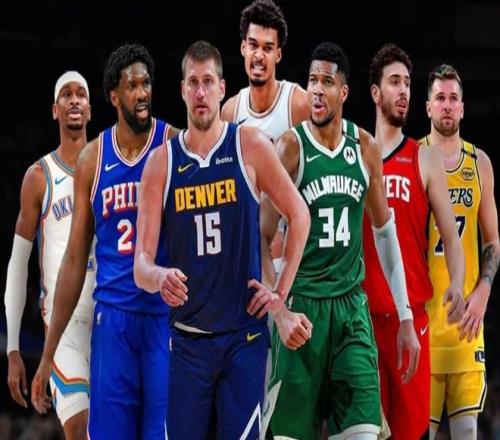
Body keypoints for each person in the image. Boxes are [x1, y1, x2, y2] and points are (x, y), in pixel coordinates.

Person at [134, 40, 311, 440]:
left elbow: (299, 215)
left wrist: (280, 295)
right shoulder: (161, 163)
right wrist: (159, 276)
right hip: (188, 342)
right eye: (193, 82)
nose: (201, 92)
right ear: (182, 90)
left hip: (243, 339)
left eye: (208, 82)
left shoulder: (249, 145)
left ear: (222, 88)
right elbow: (140, 266)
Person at [261, 41, 420, 440]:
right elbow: (260, 236)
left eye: (326, 82)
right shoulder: (290, 148)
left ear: (343, 92)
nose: (317, 90)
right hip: (302, 309)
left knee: (364, 433)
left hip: (351, 312)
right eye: (312, 81)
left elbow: (385, 232)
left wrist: (405, 315)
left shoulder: (365, 148)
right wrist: (278, 312)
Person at [31, 44, 179, 439]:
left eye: (146, 84)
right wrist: (48, 354)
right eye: (132, 86)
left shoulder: (173, 144)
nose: (142, 93)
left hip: (164, 319)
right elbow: (74, 259)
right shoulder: (92, 159)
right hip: (113, 323)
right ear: (114, 96)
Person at [361, 44, 465, 440]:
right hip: (363, 320)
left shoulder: (424, 158)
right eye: (394, 82)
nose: (403, 90)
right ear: (375, 92)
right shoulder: (355, 155)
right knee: (361, 431)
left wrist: (457, 283)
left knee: (410, 434)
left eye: (407, 82)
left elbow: (452, 236)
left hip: (411, 322)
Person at [4, 71, 94, 440]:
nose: (74, 100)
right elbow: (17, 266)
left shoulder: (109, 165)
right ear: (55, 110)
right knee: (80, 429)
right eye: (66, 95)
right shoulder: (39, 177)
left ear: (90, 109)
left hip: (113, 316)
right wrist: (13, 348)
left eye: (81, 94)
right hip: (63, 327)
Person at [420, 64, 499, 440]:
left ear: (463, 108)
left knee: (468, 434)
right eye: (440, 98)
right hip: (422, 327)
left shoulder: (480, 163)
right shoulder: (411, 158)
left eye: (453, 98)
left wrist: (484, 290)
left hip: (467, 326)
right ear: (428, 107)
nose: (447, 105)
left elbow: (492, 241)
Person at [221, 0, 309, 142]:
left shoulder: (299, 104)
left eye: (267, 48)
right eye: (253, 45)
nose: (259, 55)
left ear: (278, 55)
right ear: (243, 48)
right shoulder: (230, 112)